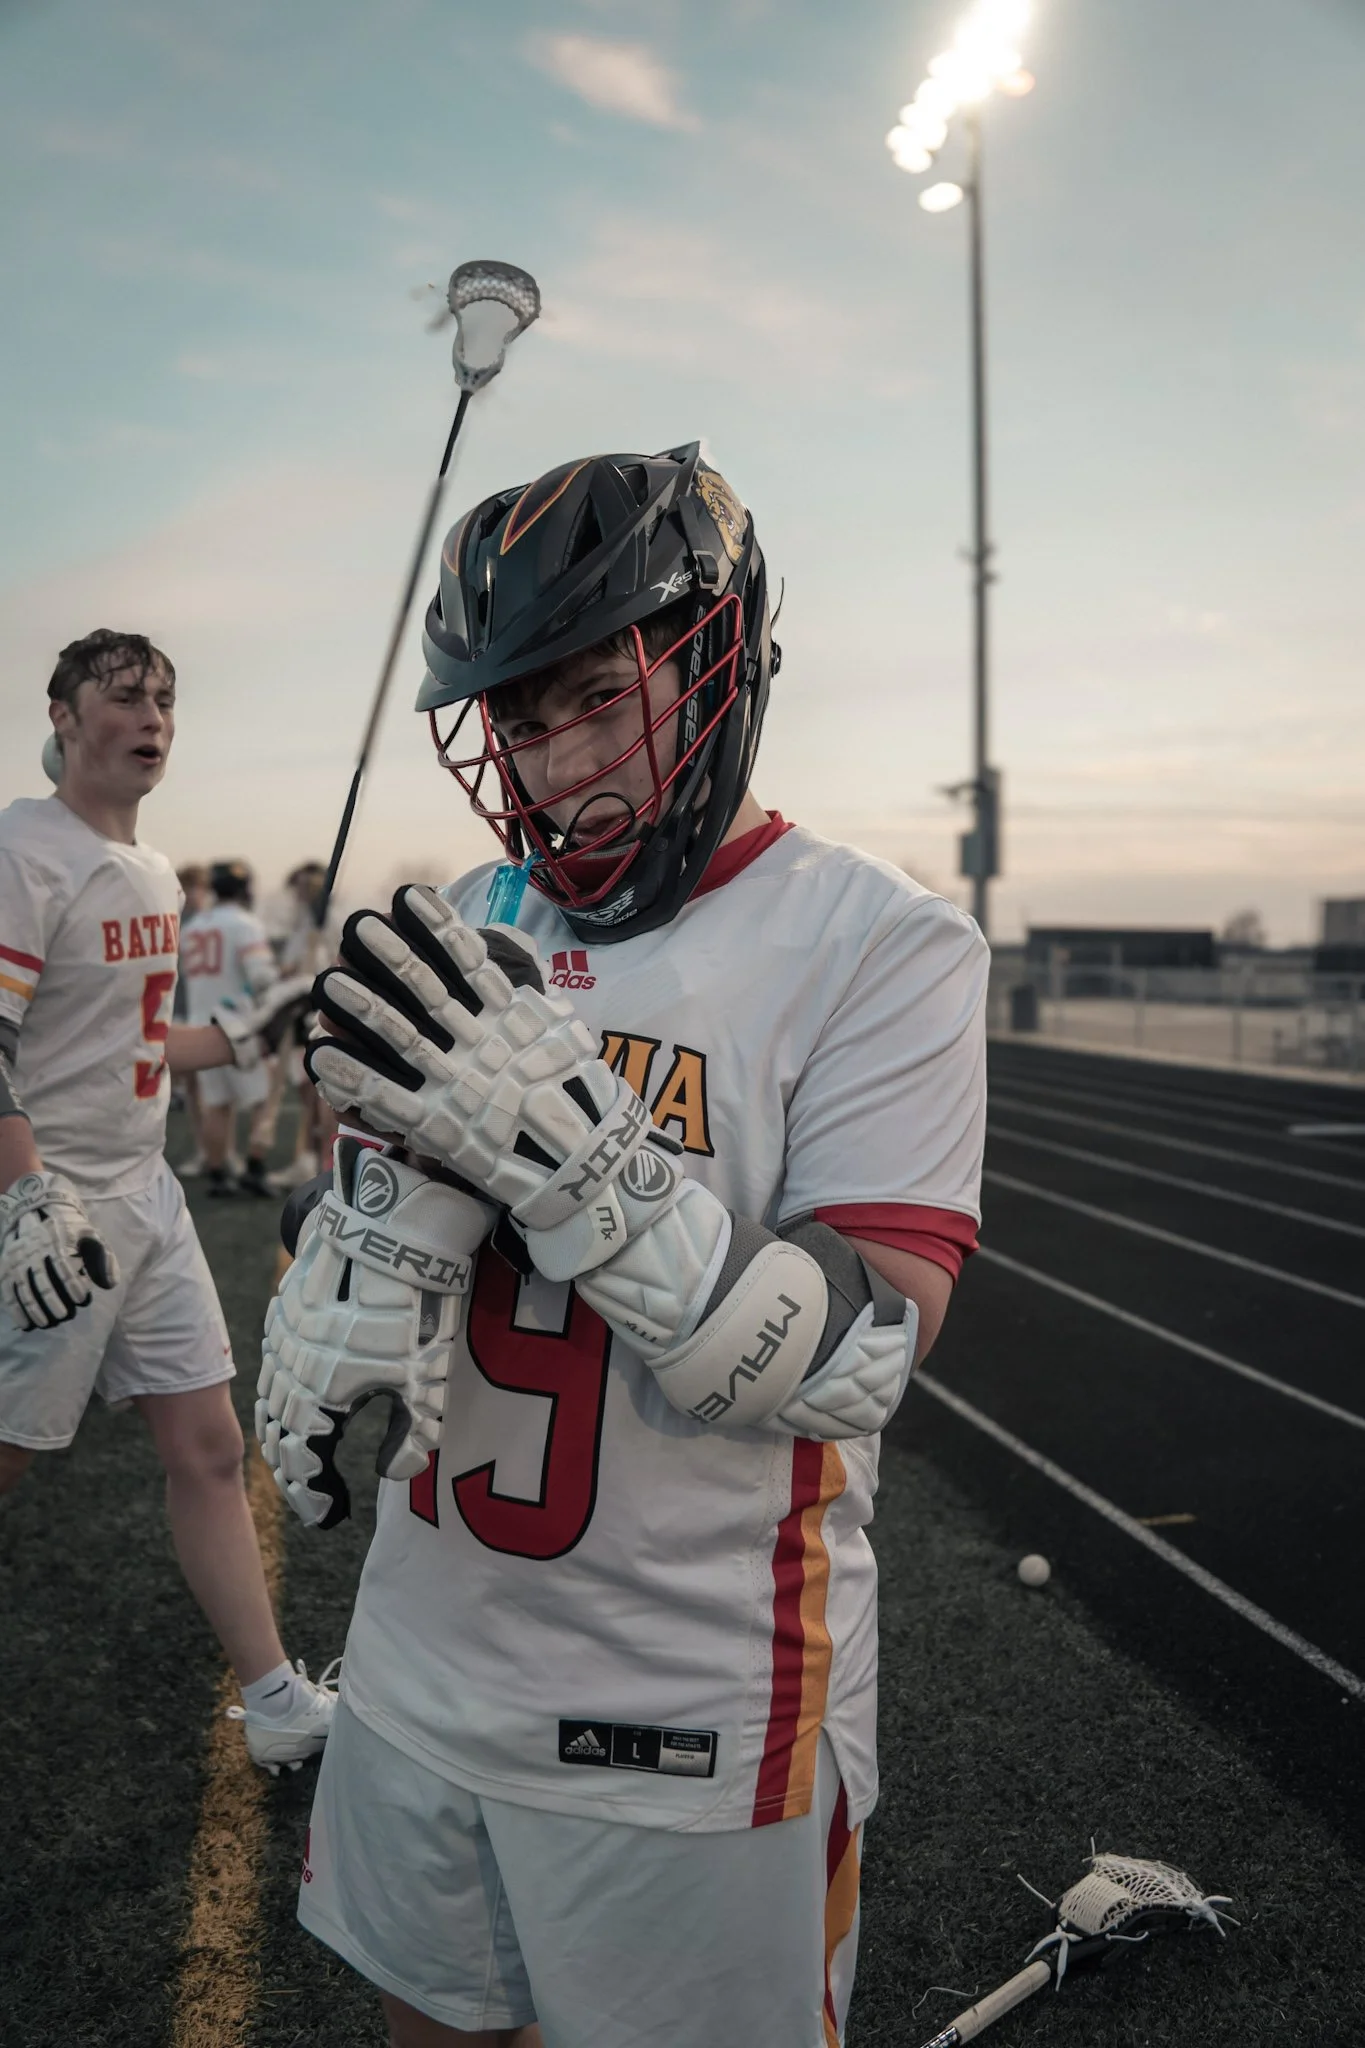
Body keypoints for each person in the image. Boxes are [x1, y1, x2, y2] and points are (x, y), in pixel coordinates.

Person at [259, 445, 988, 2046]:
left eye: (592, 692)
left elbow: (860, 1350)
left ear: (715, 662)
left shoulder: (879, 941)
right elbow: (400, 1222)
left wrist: (578, 1147)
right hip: (420, 1658)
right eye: (515, 718)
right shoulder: (476, 907)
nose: (547, 754)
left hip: (682, 1717)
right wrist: (344, 1266)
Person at [0, 628, 336, 1774]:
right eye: (124, 695)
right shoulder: (24, 850)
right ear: (61, 714)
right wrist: (28, 1192)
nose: (151, 716)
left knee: (207, 1441)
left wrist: (257, 1022)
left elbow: (141, 1048)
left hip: (145, 1197)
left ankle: (277, 1693)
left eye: (165, 699)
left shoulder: (148, 869)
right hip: (55, 1210)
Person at [181, 859, 283, 1198]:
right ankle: (254, 1168)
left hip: (199, 1025)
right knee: (263, 1099)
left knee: (217, 1104)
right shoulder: (244, 923)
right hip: (236, 1025)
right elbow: (261, 976)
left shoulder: (193, 926)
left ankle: (217, 1174)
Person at [267, 861, 342, 1194]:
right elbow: (293, 964)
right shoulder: (303, 925)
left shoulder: (331, 922)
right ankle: (308, 1158)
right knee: (306, 1092)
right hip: (299, 1013)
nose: (296, 895)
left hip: (320, 1014)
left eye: (301, 888)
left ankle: (327, 1162)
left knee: (323, 1095)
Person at [172, 862, 214, 1178]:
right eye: (190, 887)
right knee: (196, 1087)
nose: (195, 894)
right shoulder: (175, 922)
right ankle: (205, 1150)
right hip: (180, 1011)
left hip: (208, 1012)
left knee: (211, 1090)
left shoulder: (211, 922)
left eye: (200, 888)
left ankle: (215, 1153)